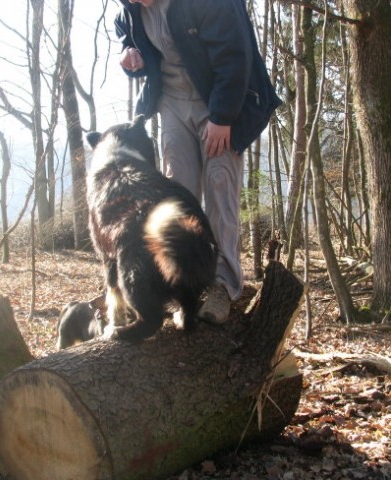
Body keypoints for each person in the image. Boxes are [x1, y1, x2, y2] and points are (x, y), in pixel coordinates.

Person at [115, 0, 282, 324]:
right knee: (175, 193)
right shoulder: (131, 9)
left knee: (220, 184)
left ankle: (223, 285)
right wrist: (128, 53)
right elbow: (126, 32)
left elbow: (236, 57)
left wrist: (222, 117)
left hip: (220, 101)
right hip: (172, 103)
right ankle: (180, 284)